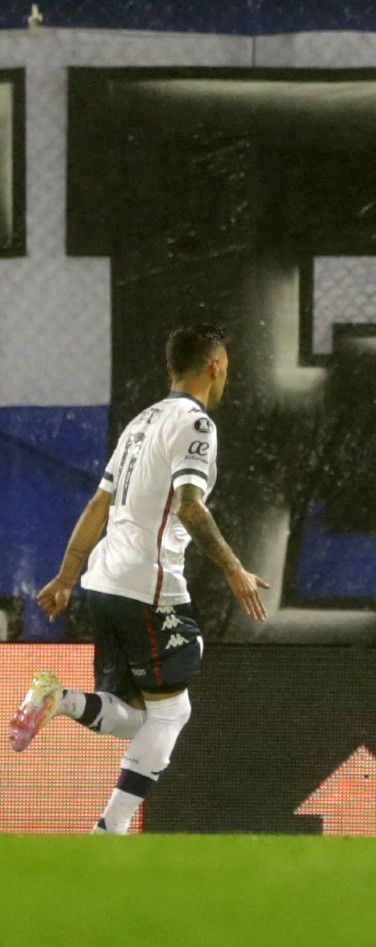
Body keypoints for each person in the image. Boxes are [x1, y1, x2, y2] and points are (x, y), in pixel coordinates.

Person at [9, 323, 270, 833]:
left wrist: (67, 576)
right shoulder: (196, 425)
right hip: (148, 585)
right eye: (227, 368)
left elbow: (99, 504)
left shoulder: (140, 423)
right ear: (215, 365)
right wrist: (235, 569)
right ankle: (111, 829)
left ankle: (57, 699)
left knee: (134, 714)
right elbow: (192, 508)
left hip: (103, 580)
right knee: (172, 715)